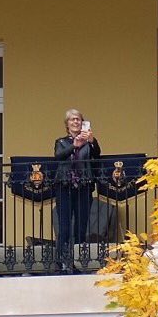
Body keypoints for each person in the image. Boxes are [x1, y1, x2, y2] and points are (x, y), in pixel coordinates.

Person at [53, 108, 100, 273]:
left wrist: (92, 141)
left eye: (78, 119)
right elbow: (58, 157)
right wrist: (74, 145)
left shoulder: (89, 142)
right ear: (67, 124)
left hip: (83, 186)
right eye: (72, 119)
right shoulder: (61, 142)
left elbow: (97, 155)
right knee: (64, 227)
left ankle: (78, 263)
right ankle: (60, 263)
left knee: (80, 227)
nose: (75, 122)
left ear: (82, 123)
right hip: (64, 187)